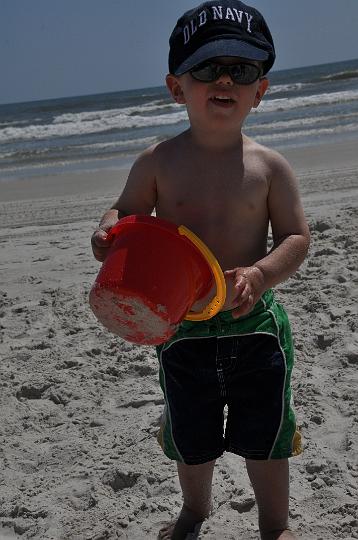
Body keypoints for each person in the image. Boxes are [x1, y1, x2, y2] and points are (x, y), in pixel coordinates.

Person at [91, 1, 310, 538]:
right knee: (191, 429)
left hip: (254, 324)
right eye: (208, 68)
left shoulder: (269, 167)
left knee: (266, 429)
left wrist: (260, 274)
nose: (226, 79)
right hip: (182, 322)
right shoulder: (158, 162)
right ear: (176, 88)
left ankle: (275, 522)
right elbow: (125, 212)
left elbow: (297, 239)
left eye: (244, 70)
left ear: (260, 91)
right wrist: (108, 231)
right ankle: (195, 509)